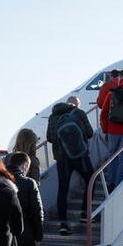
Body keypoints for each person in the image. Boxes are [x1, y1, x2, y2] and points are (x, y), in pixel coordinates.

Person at [46, 95, 94, 235]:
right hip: (80, 156)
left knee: (63, 189)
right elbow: (90, 133)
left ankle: (63, 224)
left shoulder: (53, 115)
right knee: (91, 179)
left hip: (61, 158)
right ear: (77, 105)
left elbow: (50, 138)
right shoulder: (79, 113)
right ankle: (85, 213)